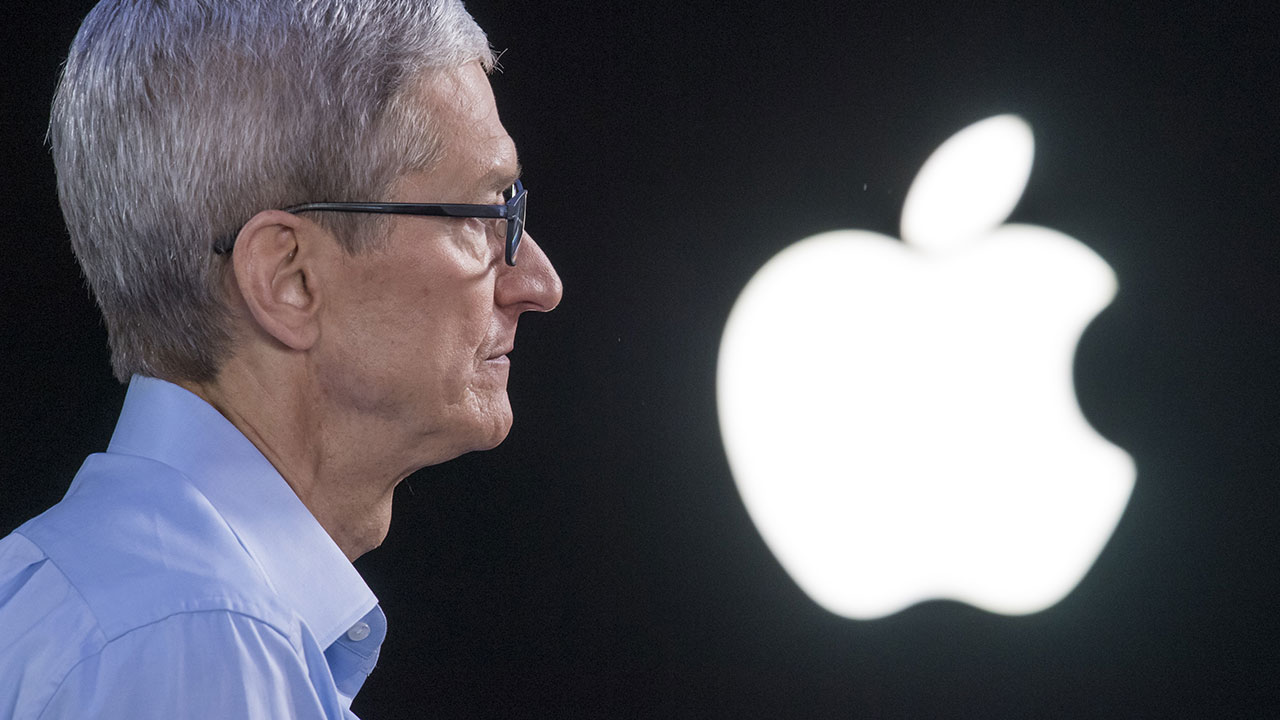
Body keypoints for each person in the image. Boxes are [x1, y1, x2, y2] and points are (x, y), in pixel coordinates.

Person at [0, 0, 561, 717]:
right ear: (290, 280)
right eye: (488, 214)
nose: (538, 283)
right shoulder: (200, 647)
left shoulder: (98, 606)